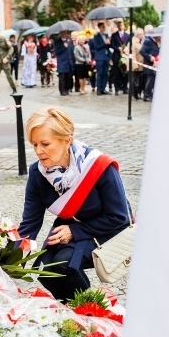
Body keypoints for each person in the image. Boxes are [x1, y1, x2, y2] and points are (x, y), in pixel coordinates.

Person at [18, 106, 131, 301]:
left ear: (66, 140)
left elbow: (119, 217)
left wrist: (74, 231)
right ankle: (70, 314)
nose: (38, 151)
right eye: (34, 144)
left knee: (64, 264)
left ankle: (94, 313)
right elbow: (30, 224)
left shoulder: (98, 165)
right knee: (43, 268)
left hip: (107, 227)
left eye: (45, 144)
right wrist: (8, 262)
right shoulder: (37, 174)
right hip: (68, 230)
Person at [0, 27, 17, 96]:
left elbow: (11, 49)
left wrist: (7, 57)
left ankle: (14, 89)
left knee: (8, 76)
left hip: (5, 61)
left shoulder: (5, 40)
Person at [92, 21, 112, 95]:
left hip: (106, 56)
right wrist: (105, 44)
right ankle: (99, 89)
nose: (104, 28)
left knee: (105, 73)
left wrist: (109, 43)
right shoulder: (96, 36)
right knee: (100, 73)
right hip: (100, 56)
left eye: (104, 27)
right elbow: (97, 47)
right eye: (102, 27)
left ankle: (103, 88)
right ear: (99, 27)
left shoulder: (107, 35)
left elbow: (109, 46)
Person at [139, 33, 159, 102]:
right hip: (149, 64)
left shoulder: (155, 42)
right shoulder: (148, 41)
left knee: (152, 80)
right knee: (150, 80)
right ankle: (147, 95)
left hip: (154, 64)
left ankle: (150, 94)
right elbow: (142, 51)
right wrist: (149, 57)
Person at [110, 20, 129, 95]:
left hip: (125, 56)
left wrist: (126, 49)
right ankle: (117, 88)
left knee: (125, 73)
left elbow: (129, 44)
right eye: (119, 25)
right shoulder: (114, 35)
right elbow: (112, 45)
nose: (120, 26)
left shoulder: (127, 35)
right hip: (117, 56)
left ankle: (125, 88)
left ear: (124, 26)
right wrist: (118, 49)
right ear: (117, 26)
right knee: (116, 73)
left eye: (121, 25)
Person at [53, 30, 74, 96]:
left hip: (69, 61)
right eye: (62, 33)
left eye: (65, 32)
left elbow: (71, 51)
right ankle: (62, 90)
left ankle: (67, 89)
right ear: (60, 33)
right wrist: (63, 47)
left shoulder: (69, 41)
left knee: (68, 76)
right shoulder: (57, 41)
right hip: (62, 61)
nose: (64, 34)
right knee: (62, 77)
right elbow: (57, 52)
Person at [132, 28, 145, 99]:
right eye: (142, 34)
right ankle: (135, 94)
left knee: (140, 80)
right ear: (139, 35)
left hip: (141, 64)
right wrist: (135, 65)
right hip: (137, 64)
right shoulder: (134, 42)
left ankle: (138, 93)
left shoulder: (140, 41)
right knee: (136, 80)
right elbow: (133, 54)